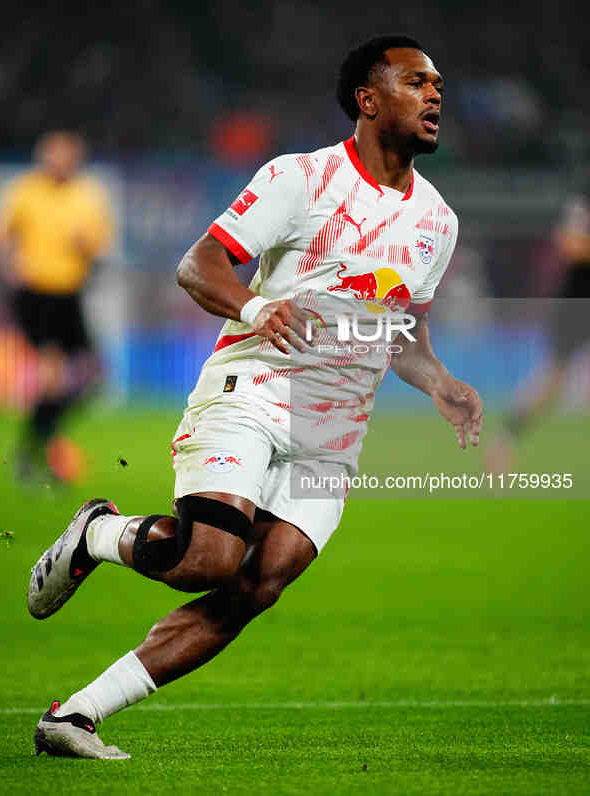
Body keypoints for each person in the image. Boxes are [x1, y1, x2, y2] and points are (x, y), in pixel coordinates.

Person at [28, 36, 483, 759]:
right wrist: (253, 307)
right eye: (415, 81)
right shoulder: (301, 179)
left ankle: (74, 716)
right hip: (255, 393)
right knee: (210, 559)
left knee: (258, 585)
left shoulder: (438, 222)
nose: (434, 95)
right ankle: (98, 534)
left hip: (334, 435)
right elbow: (198, 265)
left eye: (438, 84)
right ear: (367, 100)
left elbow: (401, 332)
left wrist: (439, 382)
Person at [0, 131, 113, 482]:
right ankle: (36, 453)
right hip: (36, 295)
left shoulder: (88, 195)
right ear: (43, 158)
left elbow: (98, 248)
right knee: (51, 376)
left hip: (69, 295)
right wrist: (10, 273)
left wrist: (84, 247)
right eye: (54, 155)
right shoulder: (26, 190)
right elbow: (6, 237)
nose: (60, 162)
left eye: (67, 156)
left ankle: (38, 443)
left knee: (91, 376)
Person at [486, 172, 590, 473]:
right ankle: (504, 442)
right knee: (551, 380)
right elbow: (571, 244)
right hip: (577, 304)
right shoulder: (585, 197)